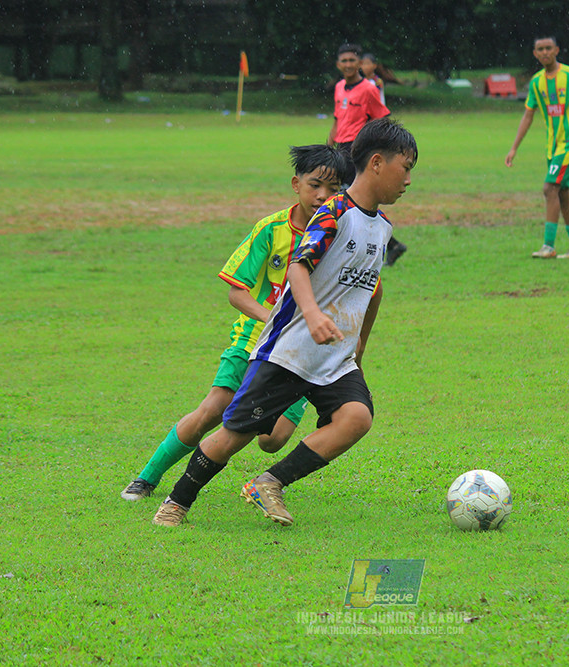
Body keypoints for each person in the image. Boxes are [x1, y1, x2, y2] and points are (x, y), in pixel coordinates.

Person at [152, 118, 417, 528]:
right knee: (235, 435)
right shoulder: (333, 214)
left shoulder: (382, 227)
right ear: (378, 163)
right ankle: (176, 502)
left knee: (357, 417)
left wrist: (360, 345)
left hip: (335, 357)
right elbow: (297, 267)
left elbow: (372, 289)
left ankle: (270, 482)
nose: (409, 180)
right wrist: (312, 315)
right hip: (289, 351)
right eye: (406, 167)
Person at [119, 145, 348, 501]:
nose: (322, 196)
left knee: (272, 441)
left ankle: (272, 414)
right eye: (315, 185)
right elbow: (237, 292)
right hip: (253, 341)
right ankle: (146, 478)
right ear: (296, 184)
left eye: (333, 190)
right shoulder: (271, 229)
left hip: (303, 351)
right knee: (211, 411)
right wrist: (275, 320)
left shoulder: (342, 235)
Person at [505, 35, 569, 260]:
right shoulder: (536, 82)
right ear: (535, 54)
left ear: (557, 50)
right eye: (540, 49)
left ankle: (548, 246)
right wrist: (514, 148)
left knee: (549, 188)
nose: (545, 52)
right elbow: (528, 116)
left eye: (549, 48)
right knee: (562, 193)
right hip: (553, 147)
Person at [330, 43, 408, 267]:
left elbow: (382, 120)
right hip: (341, 148)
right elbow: (337, 120)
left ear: (360, 63)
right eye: (344, 61)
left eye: (352, 60)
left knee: (347, 197)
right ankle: (388, 245)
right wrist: (329, 148)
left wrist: (375, 148)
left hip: (357, 150)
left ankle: (358, 245)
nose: (348, 65)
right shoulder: (339, 87)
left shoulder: (369, 89)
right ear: (338, 64)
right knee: (346, 198)